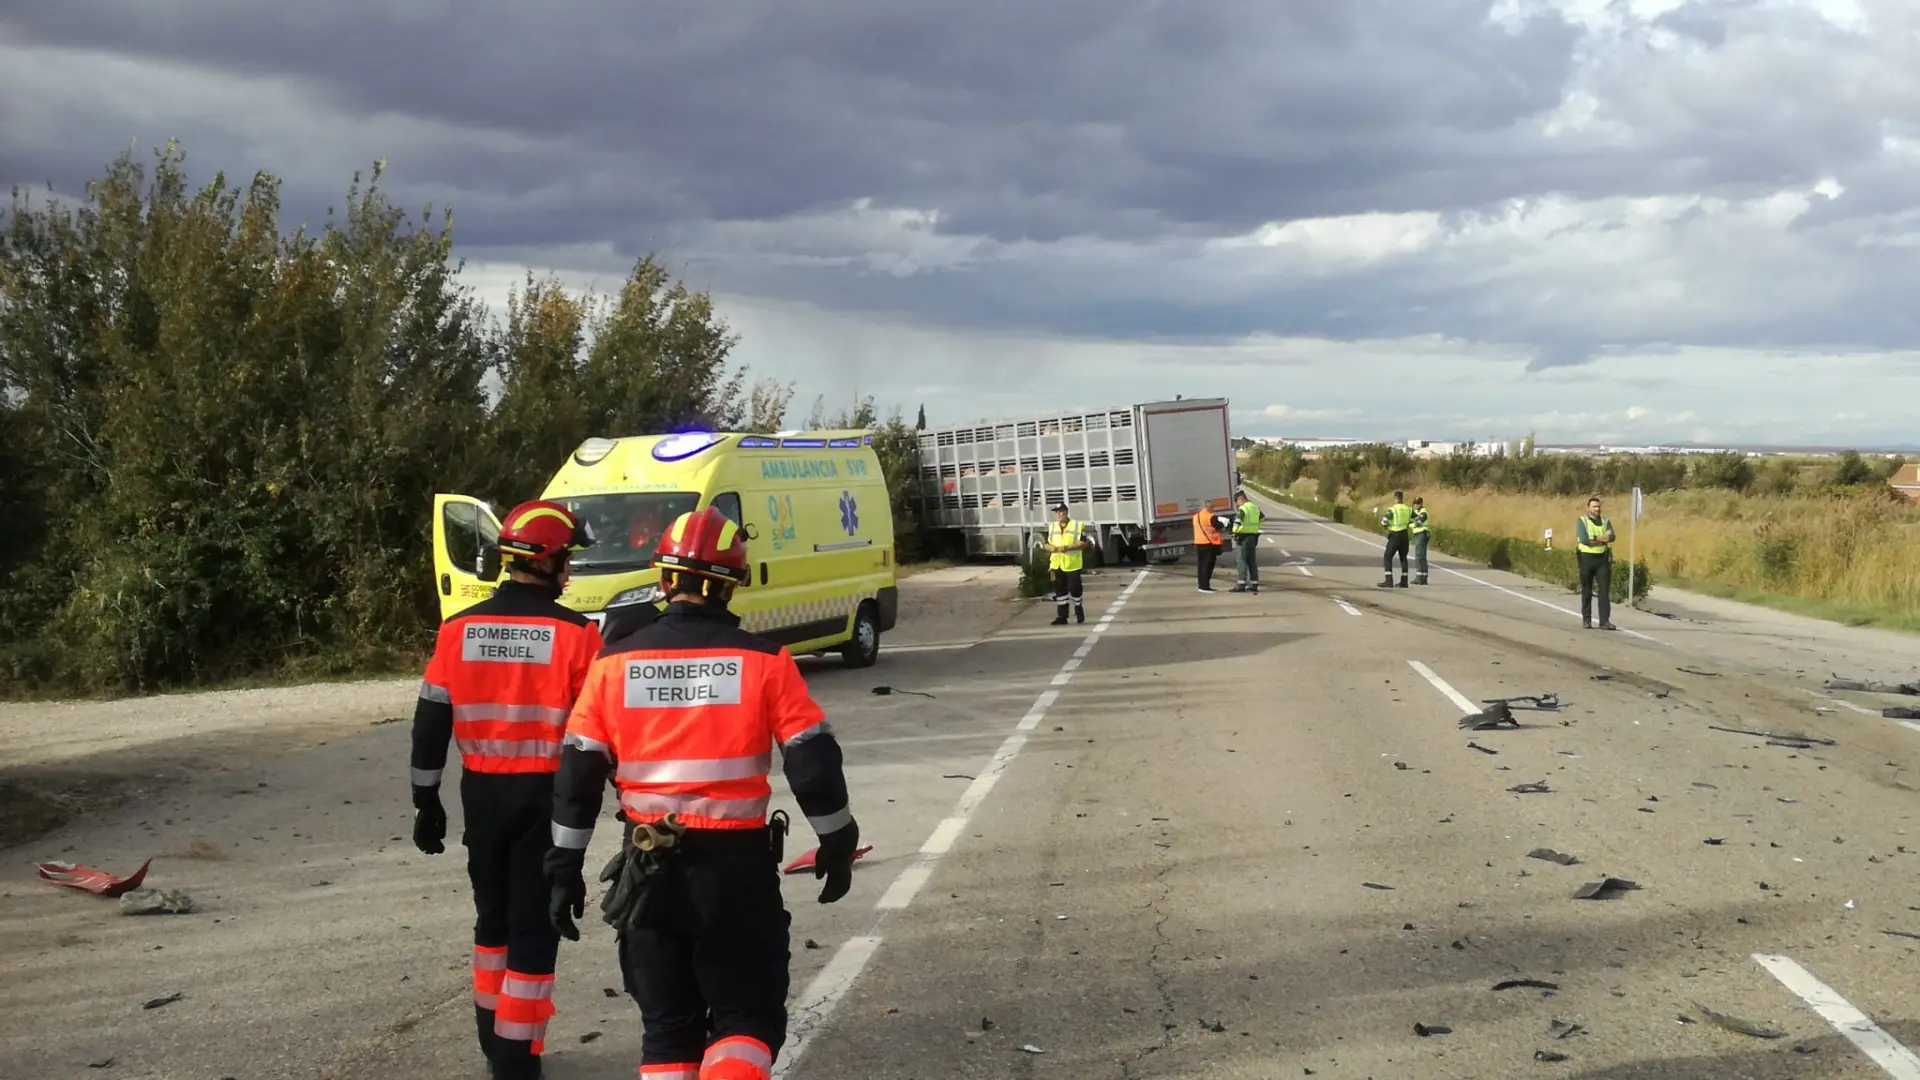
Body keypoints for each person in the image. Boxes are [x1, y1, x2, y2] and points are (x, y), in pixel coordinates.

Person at [544, 507, 860, 1080]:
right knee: (745, 1021)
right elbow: (812, 766)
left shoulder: (612, 664)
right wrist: (837, 841)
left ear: (665, 579)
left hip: (648, 873)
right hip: (735, 873)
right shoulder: (765, 662)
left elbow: (577, 776)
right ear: (733, 583)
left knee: (668, 1033)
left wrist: (564, 865)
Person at [409, 500, 605, 1080]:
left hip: (481, 796)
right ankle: (517, 1060)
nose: (569, 570)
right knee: (535, 928)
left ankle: (495, 1045)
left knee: (491, 922)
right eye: (566, 559)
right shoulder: (578, 635)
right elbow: (597, 734)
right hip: (546, 797)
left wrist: (425, 799)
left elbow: (430, 721)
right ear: (545, 562)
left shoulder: (458, 630)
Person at [1045, 502, 1092, 624]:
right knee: (1060, 590)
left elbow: (1084, 543)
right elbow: (1046, 544)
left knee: (1075, 589)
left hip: (1072, 564)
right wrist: (1051, 548)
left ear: (1066, 513)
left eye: (1060, 512)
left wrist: (1068, 547)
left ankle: (1078, 608)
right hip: (1057, 564)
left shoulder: (1077, 525)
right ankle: (1062, 617)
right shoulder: (1052, 527)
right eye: (1057, 512)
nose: (1058, 514)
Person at [1576, 494, 1617, 630]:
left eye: (1598, 507)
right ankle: (1586, 619)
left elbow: (1612, 536)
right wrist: (1602, 539)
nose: (1597, 509)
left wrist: (1595, 538)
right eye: (1594, 507)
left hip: (1602, 560)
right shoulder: (1582, 521)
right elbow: (1584, 540)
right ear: (1588, 508)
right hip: (1586, 558)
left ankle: (1604, 621)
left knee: (1604, 591)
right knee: (1587, 590)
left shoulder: (1605, 521)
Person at [1229, 489, 1263, 593]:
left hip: (1243, 537)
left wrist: (1234, 532)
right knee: (1251, 561)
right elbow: (1262, 518)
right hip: (1253, 537)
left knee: (1241, 561)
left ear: (1241, 499)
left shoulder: (1243, 509)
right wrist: (1257, 528)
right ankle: (1254, 584)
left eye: (1237, 501)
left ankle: (1241, 584)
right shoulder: (1255, 507)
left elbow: (1237, 522)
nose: (1237, 504)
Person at [1378, 491, 1414, 588]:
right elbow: (1415, 518)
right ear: (1402, 498)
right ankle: (1404, 581)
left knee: (1387, 556)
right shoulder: (1408, 509)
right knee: (1403, 558)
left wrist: (1387, 528)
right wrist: (1408, 524)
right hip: (1404, 535)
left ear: (1395, 498)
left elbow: (1384, 521)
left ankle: (1388, 580)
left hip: (1395, 535)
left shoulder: (1392, 509)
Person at [1192, 503, 1226, 593]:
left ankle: (1201, 585)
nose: (1213, 510)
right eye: (1213, 508)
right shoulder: (1210, 517)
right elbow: (1219, 527)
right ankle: (1205, 586)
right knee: (1208, 566)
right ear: (1209, 508)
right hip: (1209, 543)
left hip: (1199, 542)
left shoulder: (1196, 516)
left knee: (1201, 565)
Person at [1409, 497, 1431, 586]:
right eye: (1415, 503)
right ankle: (1423, 577)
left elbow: (1418, 522)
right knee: (1422, 555)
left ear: (1421, 503)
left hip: (1422, 533)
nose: (1416, 505)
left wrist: (1410, 525)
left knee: (1419, 555)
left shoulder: (1423, 512)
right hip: (1419, 534)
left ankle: (1419, 577)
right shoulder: (1416, 512)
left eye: (1418, 503)